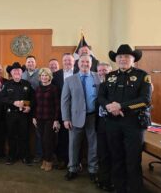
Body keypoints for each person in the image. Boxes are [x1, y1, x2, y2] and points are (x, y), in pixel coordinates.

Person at [98, 44, 152, 193]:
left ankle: (135, 189)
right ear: (116, 59)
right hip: (113, 124)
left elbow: (145, 100)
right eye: (120, 56)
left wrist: (120, 106)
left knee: (133, 160)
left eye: (126, 56)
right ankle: (119, 188)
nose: (123, 59)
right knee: (116, 158)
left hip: (133, 124)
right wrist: (109, 106)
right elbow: (101, 96)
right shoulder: (110, 76)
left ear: (133, 59)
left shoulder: (143, 76)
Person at [62, 54, 100, 182]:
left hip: (93, 118)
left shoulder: (97, 77)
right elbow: (65, 101)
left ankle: (93, 170)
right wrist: (66, 118)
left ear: (91, 63)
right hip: (74, 119)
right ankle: (72, 169)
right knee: (73, 145)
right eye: (82, 62)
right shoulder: (70, 80)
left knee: (93, 145)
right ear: (78, 64)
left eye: (87, 62)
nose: (85, 64)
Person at [1, 62, 34, 165]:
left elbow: (33, 98)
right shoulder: (6, 84)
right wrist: (13, 103)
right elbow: (2, 98)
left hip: (24, 115)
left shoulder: (27, 84)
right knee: (11, 136)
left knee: (24, 136)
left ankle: (25, 157)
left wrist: (29, 106)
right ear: (11, 73)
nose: (16, 72)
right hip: (11, 115)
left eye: (18, 71)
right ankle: (11, 157)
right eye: (14, 71)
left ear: (21, 73)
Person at [32, 68, 60, 171]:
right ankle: (44, 159)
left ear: (50, 77)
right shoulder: (38, 89)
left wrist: (56, 120)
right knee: (42, 141)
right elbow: (35, 104)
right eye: (42, 75)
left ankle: (49, 161)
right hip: (39, 118)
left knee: (48, 141)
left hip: (50, 119)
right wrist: (34, 117)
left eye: (46, 75)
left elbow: (57, 105)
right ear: (40, 77)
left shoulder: (54, 88)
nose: (44, 77)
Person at [52, 53, 76, 169]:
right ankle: (63, 160)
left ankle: (76, 161)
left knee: (76, 137)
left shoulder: (79, 73)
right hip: (61, 110)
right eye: (65, 60)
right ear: (62, 62)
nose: (67, 62)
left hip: (76, 110)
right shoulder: (55, 75)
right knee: (62, 137)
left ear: (74, 62)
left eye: (69, 60)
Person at [95, 62, 114, 191]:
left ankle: (111, 180)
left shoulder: (116, 86)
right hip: (100, 122)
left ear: (111, 71)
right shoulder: (99, 84)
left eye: (105, 71)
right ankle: (103, 178)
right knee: (102, 152)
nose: (102, 73)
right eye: (100, 71)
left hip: (114, 123)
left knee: (113, 152)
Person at [21, 55, 41, 162]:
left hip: (39, 107)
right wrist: (26, 106)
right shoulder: (22, 74)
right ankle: (26, 154)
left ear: (35, 63)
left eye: (32, 62)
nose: (30, 64)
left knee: (38, 132)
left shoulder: (41, 73)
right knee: (25, 131)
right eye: (28, 62)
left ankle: (39, 154)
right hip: (25, 107)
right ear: (25, 64)